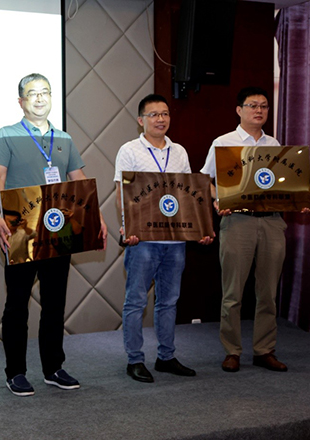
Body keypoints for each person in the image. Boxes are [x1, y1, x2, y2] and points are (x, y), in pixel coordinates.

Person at [0, 73, 108, 396]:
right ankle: (15, 372)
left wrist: (96, 216)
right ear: (21, 101)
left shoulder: (64, 138)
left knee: (55, 303)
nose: (39, 98)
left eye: (45, 92)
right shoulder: (7, 134)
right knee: (17, 305)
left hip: (59, 230)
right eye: (32, 93)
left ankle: (53, 367)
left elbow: (78, 179)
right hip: (20, 232)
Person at [201, 87, 310, 373]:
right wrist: (218, 199)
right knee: (233, 293)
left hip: (272, 222)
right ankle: (232, 351)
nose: (259, 110)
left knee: (268, 292)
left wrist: (300, 199)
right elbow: (204, 180)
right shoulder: (223, 143)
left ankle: (264, 350)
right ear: (239, 110)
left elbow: (283, 185)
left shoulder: (274, 144)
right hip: (237, 221)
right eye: (252, 105)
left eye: (264, 106)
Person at [114, 94, 213, 383]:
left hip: (175, 242)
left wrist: (200, 229)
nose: (161, 119)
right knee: (135, 302)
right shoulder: (129, 150)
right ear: (140, 120)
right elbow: (122, 194)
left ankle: (166, 357)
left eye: (165, 113)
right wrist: (127, 228)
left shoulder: (179, 151)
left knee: (169, 302)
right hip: (143, 240)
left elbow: (189, 194)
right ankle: (134, 360)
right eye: (154, 114)